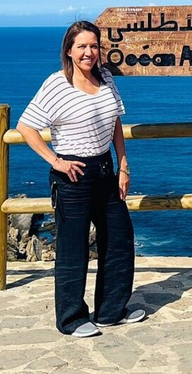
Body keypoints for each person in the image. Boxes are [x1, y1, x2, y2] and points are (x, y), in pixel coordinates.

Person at [16, 20, 145, 338]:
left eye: (94, 46)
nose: (89, 52)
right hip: (72, 176)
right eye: (82, 46)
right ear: (69, 51)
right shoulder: (56, 85)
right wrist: (56, 161)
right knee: (73, 249)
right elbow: (25, 126)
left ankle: (111, 311)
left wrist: (123, 165)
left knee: (118, 239)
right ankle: (71, 319)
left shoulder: (106, 77)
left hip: (105, 171)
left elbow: (115, 122)